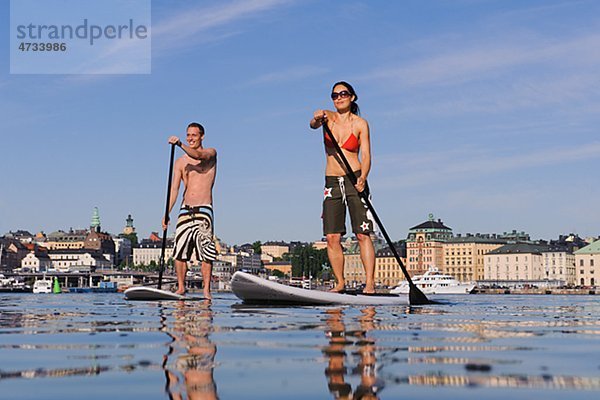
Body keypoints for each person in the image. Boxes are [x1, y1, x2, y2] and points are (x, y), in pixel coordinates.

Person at [310, 81, 376, 294]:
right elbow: (313, 124)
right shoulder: (327, 117)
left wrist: (363, 177)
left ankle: (369, 284)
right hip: (331, 181)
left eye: (343, 94)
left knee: (362, 234)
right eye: (335, 95)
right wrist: (316, 117)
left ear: (352, 97)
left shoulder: (360, 124)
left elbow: (365, 154)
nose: (339, 98)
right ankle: (340, 282)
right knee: (332, 236)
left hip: (355, 178)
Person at [163, 122, 217, 299]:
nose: (190, 138)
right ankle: (181, 287)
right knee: (180, 252)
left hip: (204, 210)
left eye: (194, 135)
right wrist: (166, 213)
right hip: (185, 210)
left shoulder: (211, 153)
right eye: (188, 135)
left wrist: (180, 145)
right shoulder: (180, 162)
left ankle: (206, 290)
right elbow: (174, 189)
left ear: (201, 136)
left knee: (206, 253)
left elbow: (199, 155)